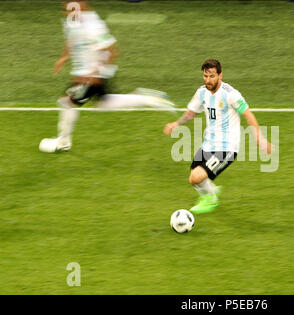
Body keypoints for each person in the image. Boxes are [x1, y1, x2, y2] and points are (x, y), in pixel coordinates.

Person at [40, 1, 174, 153]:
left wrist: (99, 73)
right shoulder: (72, 20)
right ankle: (147, 98)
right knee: (105, 103)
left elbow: (111, 50)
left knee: (66, 102)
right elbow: (71, 39)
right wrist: (63, 58)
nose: (68, 10)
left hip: (91, 76)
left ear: (83, 5)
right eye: (66, 7)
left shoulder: (93, 24)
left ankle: (63, 141)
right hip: (85, 74)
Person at [164, 59, 272, 214]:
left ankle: (211, 199)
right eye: (205, 76)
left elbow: (248, 115)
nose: (208, 80)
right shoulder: (201, 92)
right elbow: (191, 113)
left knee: (197, 178)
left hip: (227, 147)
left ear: (220, 75)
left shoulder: (230, 94)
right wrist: (176, 124)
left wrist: (260, 139)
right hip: (209, 144)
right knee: (194, 175)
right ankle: (211, 190)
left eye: (212, 76)